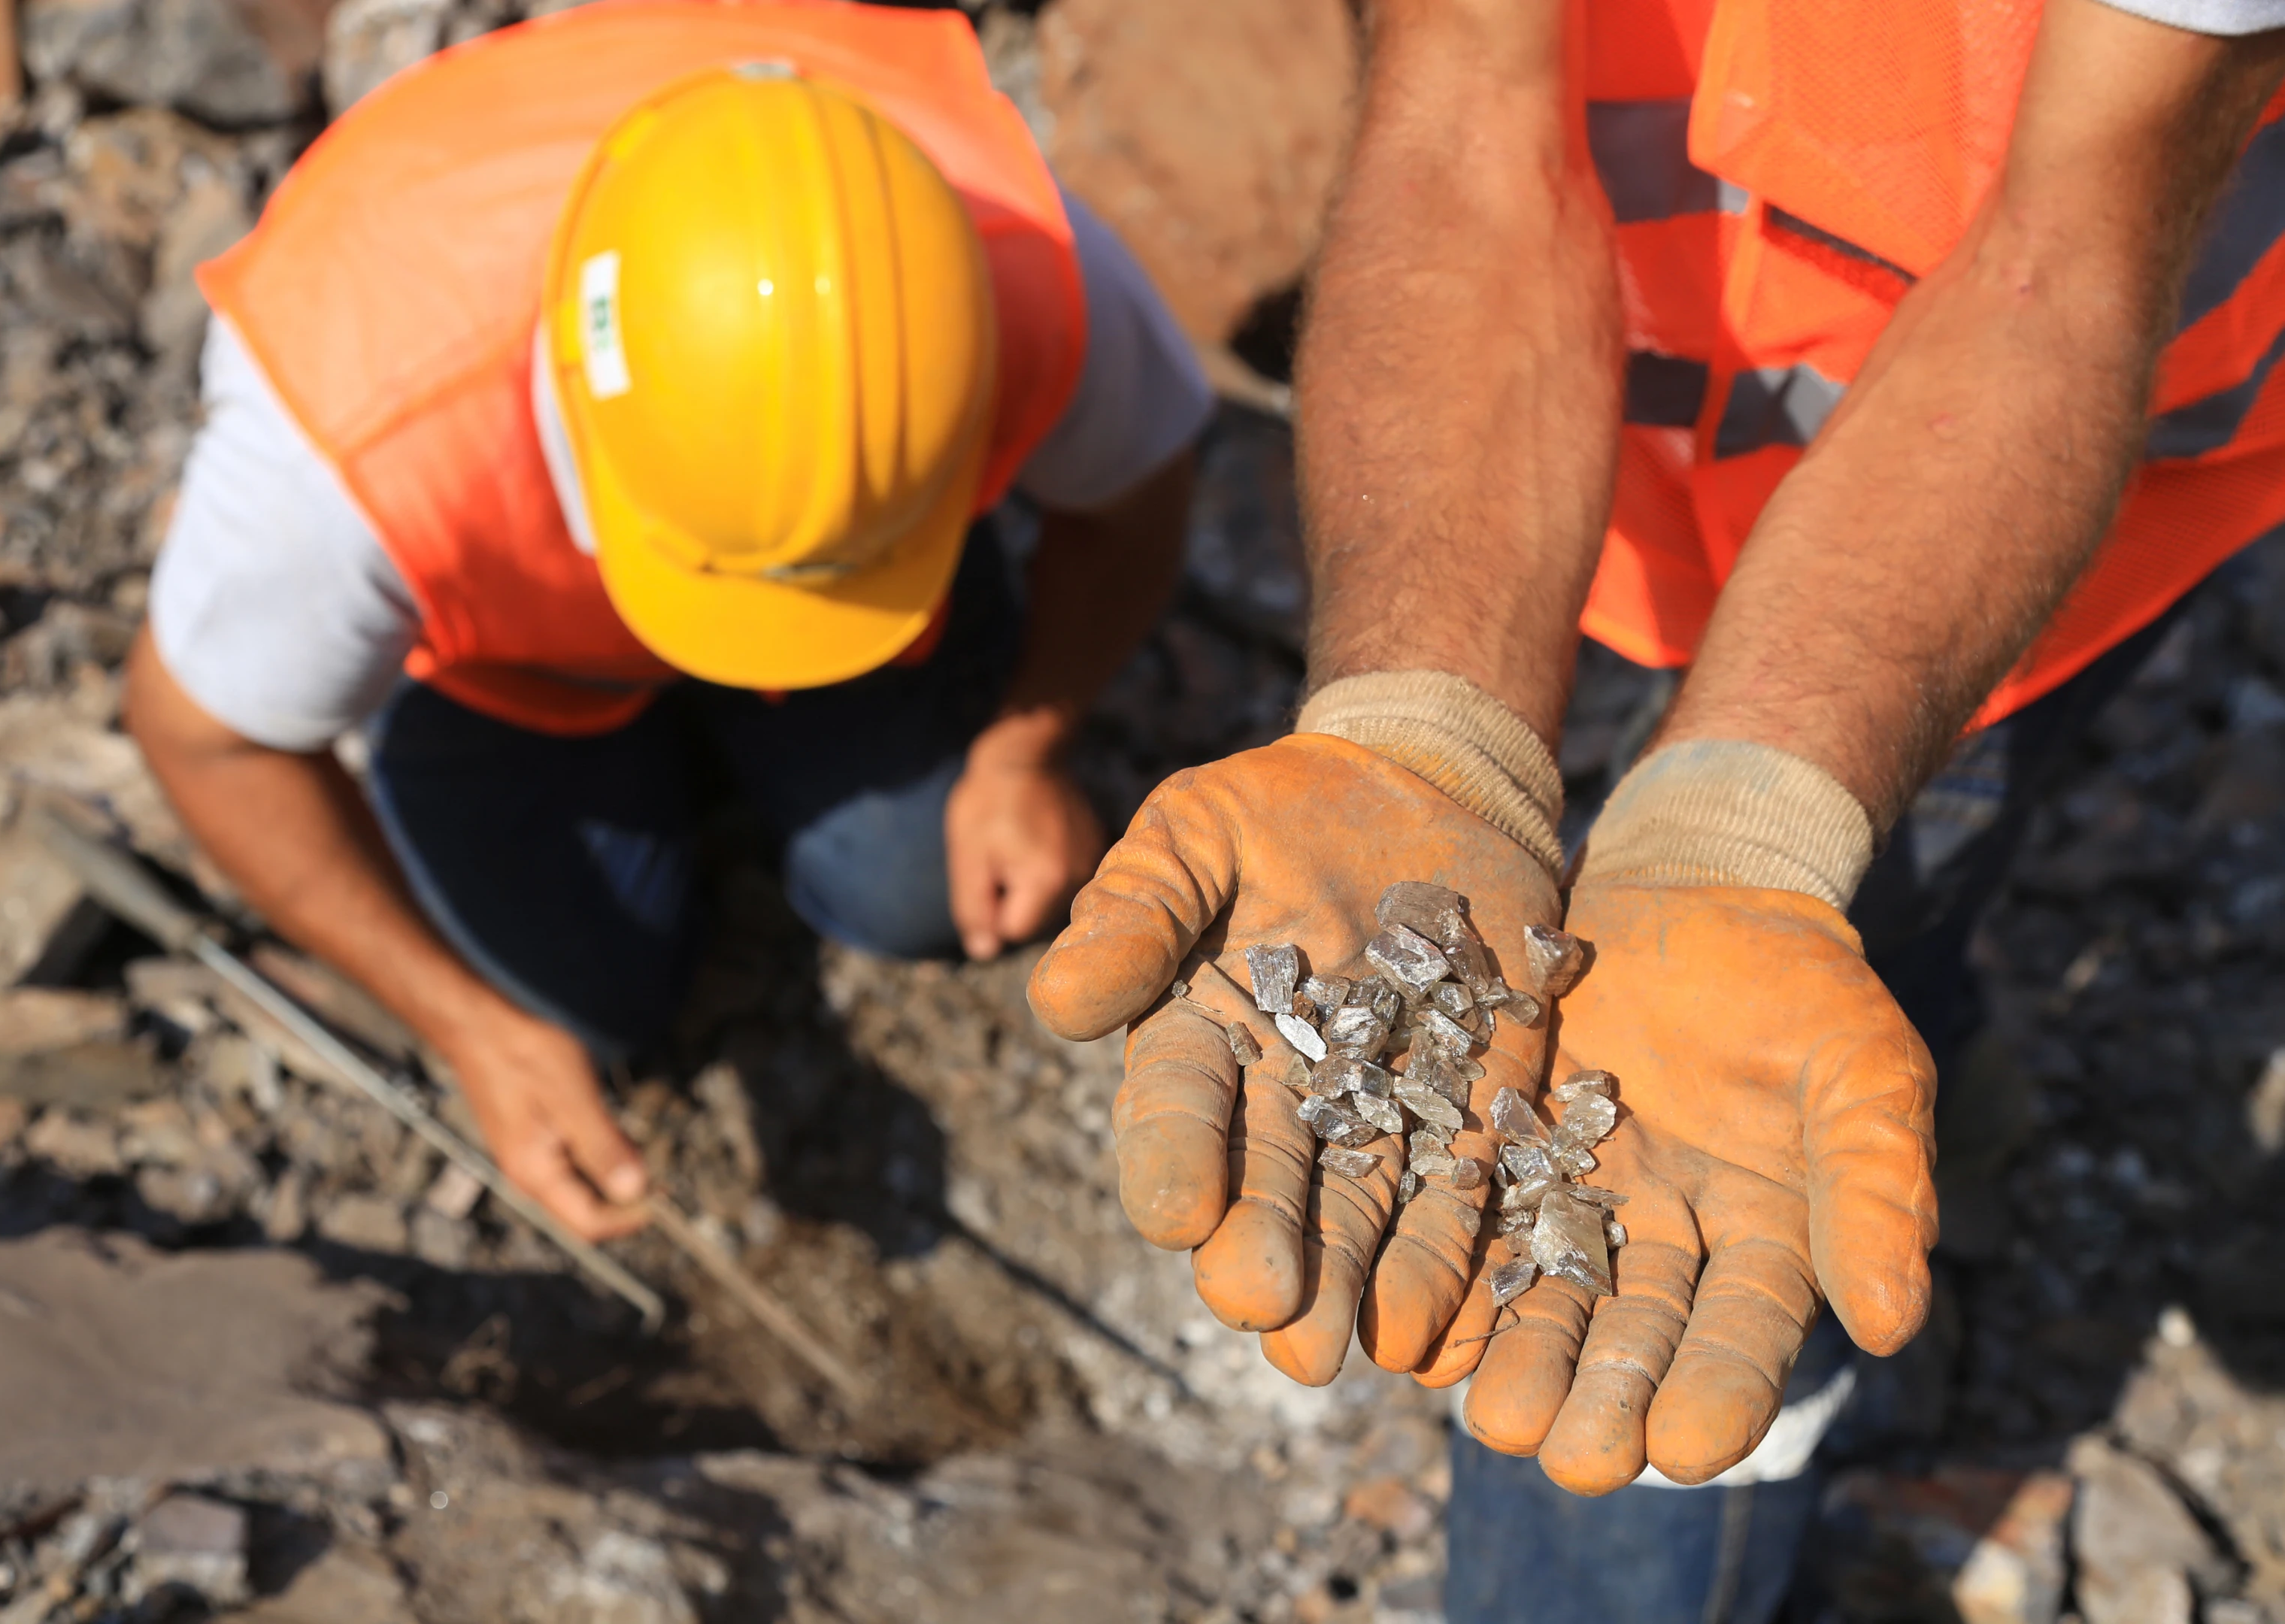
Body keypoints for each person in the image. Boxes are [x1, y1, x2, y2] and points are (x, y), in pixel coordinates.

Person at [1025, 0, 2285, 1615]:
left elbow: (2064, 259)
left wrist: (1745, 834)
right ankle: (1945, 1068)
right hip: (1581, 442)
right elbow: (1464, 117)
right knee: (1823, 990)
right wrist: (1423, 722)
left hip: (1988, 523)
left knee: (1812, 1013)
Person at [126, 0, 1211, 1243]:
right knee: (580, 1013)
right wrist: (472, 1031)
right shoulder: (352, 443)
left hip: (868, 620)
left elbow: (1136, 502)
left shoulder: (1016, 267)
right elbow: (200, 738)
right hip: (517, 667)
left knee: (916, 894)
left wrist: (1027, 748)